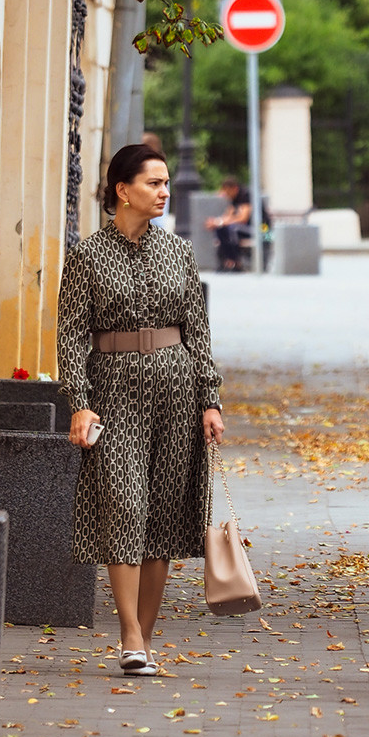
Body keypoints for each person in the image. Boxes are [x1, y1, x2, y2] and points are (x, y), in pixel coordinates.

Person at [57, 143, 225, 678]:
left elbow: (198, 331)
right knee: (125, 506)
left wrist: (210, 399)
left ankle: (144, 642)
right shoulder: (87, 256)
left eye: (166, 182)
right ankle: (128, 631)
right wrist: (80, 404)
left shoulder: (178, 251)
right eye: (154, 183)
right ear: (121, 189)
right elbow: (69, 336)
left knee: (165, 516)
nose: (164, 192)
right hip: (116, 392)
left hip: (178, 392)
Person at [205, 178, 258, 272]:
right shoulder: (234, 198)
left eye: (228, 192)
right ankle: (228, 261)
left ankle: (237, 262)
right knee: (220, 229)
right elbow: (228, 215)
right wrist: (217, 222)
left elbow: (243, 219)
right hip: (241, 229)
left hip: (261, 229)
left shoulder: (245, 195)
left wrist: (221, 222)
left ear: (234, 188)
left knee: (232, 229)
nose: (227, 195)